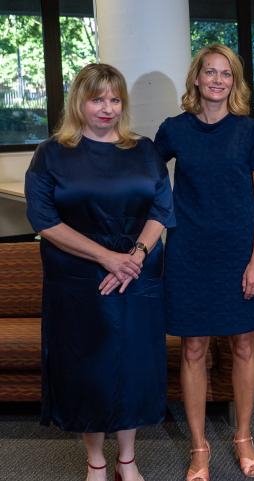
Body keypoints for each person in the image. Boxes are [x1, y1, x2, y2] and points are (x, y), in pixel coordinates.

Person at [24, 63, 174, 481]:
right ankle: (95, 459)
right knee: (86, 367)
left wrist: (136, 256)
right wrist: (107, 258)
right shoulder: (51, 153)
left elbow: (162, 209)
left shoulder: (143, 150)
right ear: (79, 102)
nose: (107, 108)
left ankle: (127, 458)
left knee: (133, 366)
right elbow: (44, 220)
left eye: (114, 99)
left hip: (137, 275)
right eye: (97, 99)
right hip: (78, 281)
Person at [154, 44, 254, 481]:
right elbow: (147, 181)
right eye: (209, 72)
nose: (217, 80)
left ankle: (243, 436)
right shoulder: (174, 130)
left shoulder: (251, 132)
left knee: (243, 344)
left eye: (226, 74)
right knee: (193, 348)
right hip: (189, 252)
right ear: (196, 79)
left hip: (238, 254)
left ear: (235, 81)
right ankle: (199, 446)